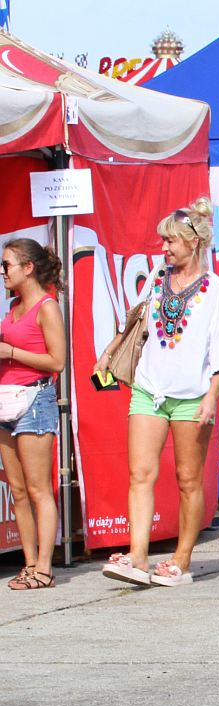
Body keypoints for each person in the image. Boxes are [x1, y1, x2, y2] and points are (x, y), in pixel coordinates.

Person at [97, 199, 219, 588]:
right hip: (149, 389)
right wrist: (108, 353)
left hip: (193, 396)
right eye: (163, 240)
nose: (163, 248)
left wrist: (212, 396)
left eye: (171, 241)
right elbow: (134, 322)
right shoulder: (157, 277)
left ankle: (182, 559)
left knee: (188, 478)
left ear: (194, 242)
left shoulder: (216, 291)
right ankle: (137, 556)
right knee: (140, 473)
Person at [0, 238, 66, 590]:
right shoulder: (12, 306)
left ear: (28, 268)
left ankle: (45, 566)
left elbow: (57, 362)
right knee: (18, 490)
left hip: (35, 401)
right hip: (5, 400)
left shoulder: (47, 306)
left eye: (7, 264)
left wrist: (10, 350)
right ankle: (28, 564)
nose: (2, 272)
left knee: (39, 489)